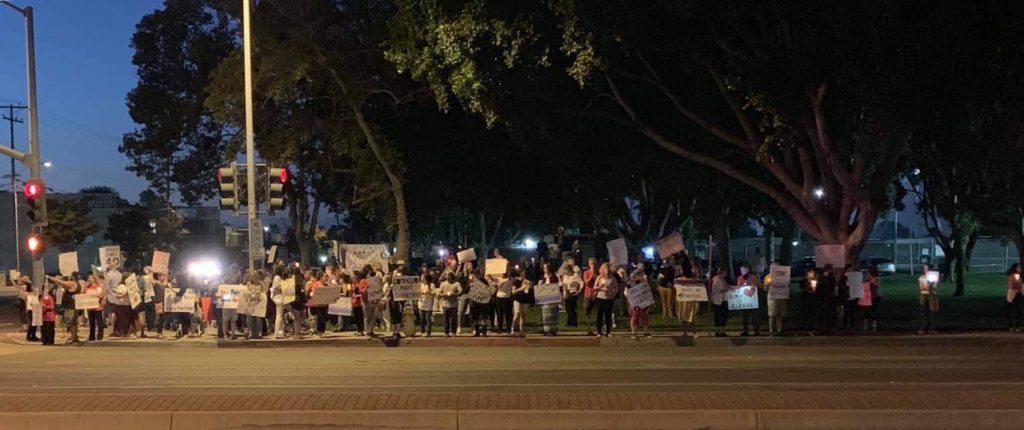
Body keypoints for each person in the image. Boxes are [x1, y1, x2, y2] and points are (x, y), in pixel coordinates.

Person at [49, 274, 83, 344]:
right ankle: (74, 336)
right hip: (73, 305)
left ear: (73, 277)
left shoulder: (73, 283)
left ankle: (74, 337)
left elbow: (62, 283)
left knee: (70, 322)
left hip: (70, 306)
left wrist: (50, 277)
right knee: (73, 322)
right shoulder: (77, 284)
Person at [593, 263, 618, 337]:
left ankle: (608, 331)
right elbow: (595, 288)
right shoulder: (599, 277)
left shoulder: (612, 278)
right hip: (600, 297)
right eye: (606, 269)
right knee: (599, 315)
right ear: (603, 270)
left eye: (608, 269)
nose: (607, 270)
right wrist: (600, 287)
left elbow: (616, 287)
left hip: (609, 298)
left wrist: (614, 294)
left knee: (608, 315)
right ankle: (599, 332)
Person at [736, 265, 761, 337]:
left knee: (754, 316)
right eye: (741, 270)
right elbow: (738, 288)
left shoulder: (753, 277)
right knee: (744, 317)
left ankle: (756, 331)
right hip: (744, 301)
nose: (743, 271)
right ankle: (745, 331)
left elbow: (759, 285)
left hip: (753, 300)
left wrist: (753, 286)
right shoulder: (740, 278)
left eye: (744, 270)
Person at [538, 263, 560, 336]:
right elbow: (539, 288)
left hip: (553, 298)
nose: (545, 269)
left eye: (546, 268)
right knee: (545, 314)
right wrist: (540, 284)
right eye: (544, 268)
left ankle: (553, 330)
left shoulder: (554, 277)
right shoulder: (542, 278)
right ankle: (546, 329)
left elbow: (557, 286)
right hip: (544, 298)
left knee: (553, 314)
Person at [558, 259, 582, 328]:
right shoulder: (566, 276)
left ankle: (574, 323)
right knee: (568, 308)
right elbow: (563, 282)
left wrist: (578, 290)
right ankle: (569, 322)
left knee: (571, 308)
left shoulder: (575, 274)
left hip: (572, 293)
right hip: (567, 293)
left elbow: (580, 282)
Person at [245, 271, 267, 340]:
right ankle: (250, 333)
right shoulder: (248, 284)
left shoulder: (261, 284)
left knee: (258, 319)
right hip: (250, 303)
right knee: (249, 319)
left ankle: (259, 333)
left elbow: (264, 293)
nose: (253, 277)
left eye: (255, 275)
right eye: (252, 276)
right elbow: (245, 292)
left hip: (259, 303)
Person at [306, 270, 329, 338]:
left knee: (324, 318)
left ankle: (323, 331)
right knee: (320, 318)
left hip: (325, 304)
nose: (326, 278)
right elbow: (313, 292)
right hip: (318, 304)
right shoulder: (316, 284)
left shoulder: (326, 284)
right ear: (321, 277)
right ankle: (319, 331)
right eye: (325, 277)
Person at [918, 264, 939, 335]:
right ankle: (922, 328)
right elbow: (923, 287)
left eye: (926, 269)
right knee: (923, 312)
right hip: (924, 295)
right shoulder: (921, 278)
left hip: (932, 295)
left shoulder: (934, 277)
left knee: (931, 312)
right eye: (924, 269)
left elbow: (935, 287)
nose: (925, 270)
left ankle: (931, 328)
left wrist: (932, 285)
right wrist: (930, 285)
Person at [439, 273, 462, 337]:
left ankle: (453, 332)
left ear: (452, 277)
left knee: (454, 319)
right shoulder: (443, 284)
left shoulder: (456, 284)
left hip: (454, 304)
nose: (448, 278)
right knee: (446, 320)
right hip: (445, 304)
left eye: (449, 277)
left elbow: (460, 291)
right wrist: (444, 294)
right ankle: (446, 332)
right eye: (447, 277)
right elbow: (439, 293)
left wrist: (454, 294)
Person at [511, 272, 533, 336]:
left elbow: (528, 291)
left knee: (523, 315)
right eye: (522, 273)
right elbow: (513, 292)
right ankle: (512, 328)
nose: (524, 274)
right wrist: (521, 289)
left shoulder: (526, 281)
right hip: (518, 299)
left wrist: (529, 287)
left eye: (524, 273)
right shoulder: (516, 281)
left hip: (525, 299)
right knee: (517, 314)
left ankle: (522, 331)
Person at [817, 265, 837, 335]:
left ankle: (825, 328)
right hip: (827, 298)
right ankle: (827, 328)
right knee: (827, 314)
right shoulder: (828, 278)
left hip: (825, 298)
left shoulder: (822, 278)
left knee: (825, 314)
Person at [710, 267, 730, 337]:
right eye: (725, 271)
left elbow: (727, 286)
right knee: (719, 316)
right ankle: (718, 331)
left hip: (723, 299)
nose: (726, 273)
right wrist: (724, 290)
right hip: (718, 300)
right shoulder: (717, 279)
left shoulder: (723, 279)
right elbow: (715, 289)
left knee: (723, 316)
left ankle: (722, 330)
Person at [85, 274, 105, 341]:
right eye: (89, 278)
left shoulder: (98, 286)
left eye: (91, 278)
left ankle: (100, 335)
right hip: (90, 308)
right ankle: (92, 336)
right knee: (91, 322)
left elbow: (101, 295)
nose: (90, 279)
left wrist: (98, 296)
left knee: (99, 321)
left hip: (97, 307)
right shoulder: (87, 287)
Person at [861, 266, 881, 333]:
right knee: (868, 311)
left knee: (873, 311)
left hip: (874, 297)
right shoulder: (871, 279)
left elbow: (875, 285)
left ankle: (873, 324)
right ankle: (868, 323)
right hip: (870, 297)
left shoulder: (875, 279)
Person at [582, 258, 599, 336]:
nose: (593, 265)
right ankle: (589, 329)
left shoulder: (599, 273)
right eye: (591, 264)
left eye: (594, 263)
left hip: (597, 295)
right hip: (588, 294)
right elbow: (587, 283)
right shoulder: (586, 273)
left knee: (597, 312)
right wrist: (592, 274)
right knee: (588, 312)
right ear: (589, 265)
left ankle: (597, 329)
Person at [799, 269, 818, 336]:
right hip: (805, 300)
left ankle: (810, 329)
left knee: (811, 315)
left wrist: (815, 288)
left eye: (813, 273)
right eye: (811, 273)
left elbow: (817, 290)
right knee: (805, 315)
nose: (812, 274)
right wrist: (809, 288)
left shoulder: (815, 281)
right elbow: (802, 288)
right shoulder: (803, 281)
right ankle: (803, 329)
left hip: (812, 300)